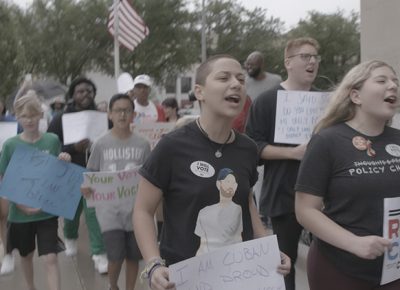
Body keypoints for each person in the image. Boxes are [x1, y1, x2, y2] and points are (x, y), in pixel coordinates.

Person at [133, 54, 291, 290]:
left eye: (240, 79)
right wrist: (154, 264)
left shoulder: (248, 148)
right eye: (224, 77)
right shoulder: (172, 147)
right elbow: (143, 211)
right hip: (185, 278)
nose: (236, 84)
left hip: (240, 275)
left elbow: (246, 200)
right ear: (200, 92)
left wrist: (268, 247)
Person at [295, 60, 400, 290]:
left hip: (392, 270)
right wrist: (354, 244)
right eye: (382, 80)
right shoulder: (327, 141)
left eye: (395, 82)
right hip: (339, 269)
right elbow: (305, 210)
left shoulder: (398, 138)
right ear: (356, 96)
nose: (393, 86)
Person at [246, 37, 321, 290]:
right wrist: (293, 153)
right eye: (305, 56)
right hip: (283, 195)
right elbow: (253, 147)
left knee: (326, 261)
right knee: (284, 264)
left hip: (326, 198)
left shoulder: (327, 102)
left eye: (315, 57)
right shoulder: (267, 101)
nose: (312, 61)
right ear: (288, 62)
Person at [0, 90, 71, 290]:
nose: (29, 120)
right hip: (20, 214)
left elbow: (60, 173)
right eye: (24, 116)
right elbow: (4, 178)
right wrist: (20, 204)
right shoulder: (10, 145)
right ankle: (30, 286)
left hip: (46, 211)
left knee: (50, 258)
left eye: (33, 115)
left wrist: (65, 160)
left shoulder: (52, 140)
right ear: (17, 117)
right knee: (26, 255)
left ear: (40, 115)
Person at [82, 93, 151, 290]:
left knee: (133, 257)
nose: (122, 115)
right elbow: (91, 174)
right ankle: (113, 285)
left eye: (127, 110)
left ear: (133, 114)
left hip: (136, 210)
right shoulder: (100, 144)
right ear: (110, 114)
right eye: (118, 111)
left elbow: (149, 176)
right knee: (115, 256)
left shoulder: (143, 144)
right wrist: (87, 188)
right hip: (109, 211)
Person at [47, 77, 108, 274]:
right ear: (73, 94)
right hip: (69, 171)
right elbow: (51, 146)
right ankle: (70, 238)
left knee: (93, 214)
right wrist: (73, 147)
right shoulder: (60, 118)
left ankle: (98, 253)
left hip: (94, 172)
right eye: (81, 91)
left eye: (89, 91)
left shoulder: (102, 117)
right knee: (71, 212)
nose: (85, 94)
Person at [195, 168, 243, 256]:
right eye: (228, 181)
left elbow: (238, 238)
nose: (231, 186)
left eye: (234, 183)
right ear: (219, 184)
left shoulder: (237, 209)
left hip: (231, 260)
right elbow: (202, 244)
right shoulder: (204, 212)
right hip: (208, 262)